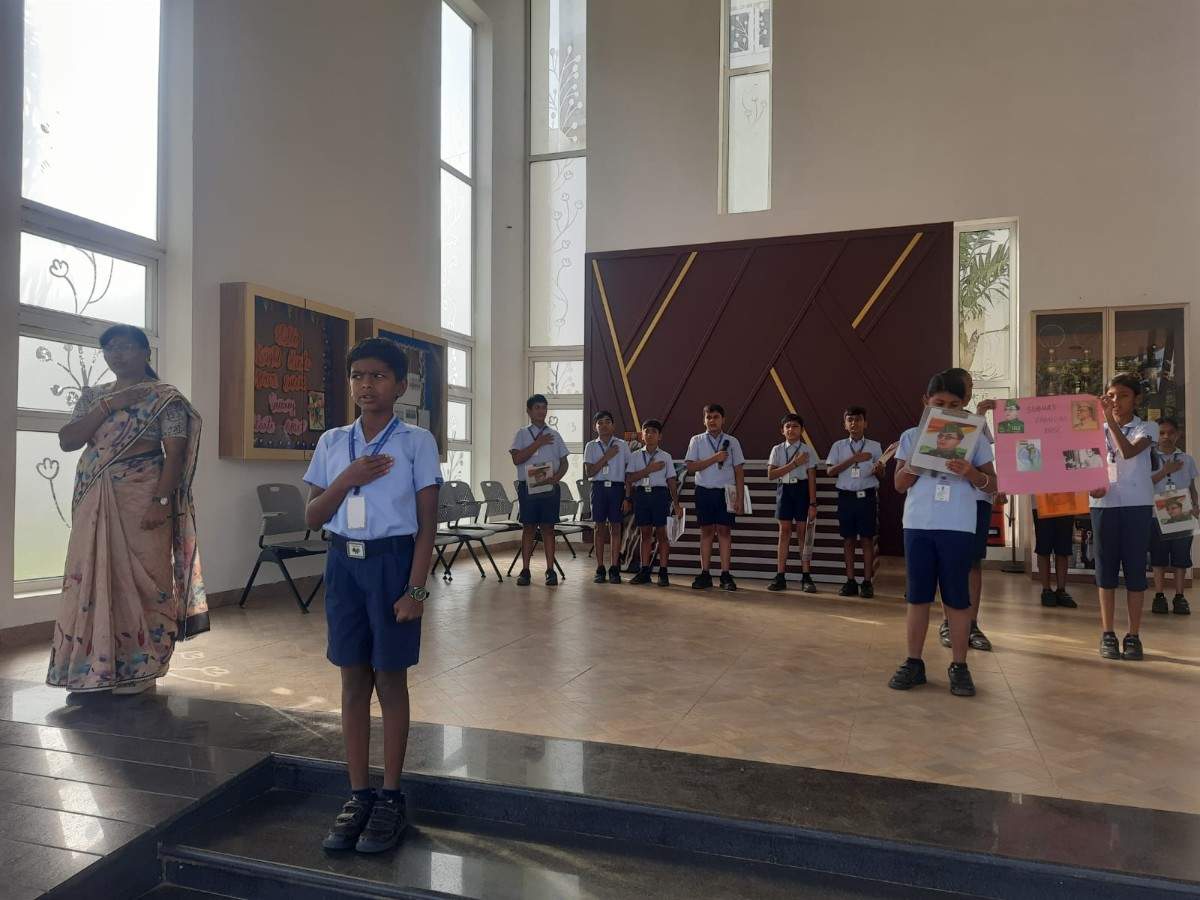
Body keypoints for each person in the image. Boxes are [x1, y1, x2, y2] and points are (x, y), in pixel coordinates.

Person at [304, 338, 440, 854]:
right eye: (358, 375)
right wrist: (348, 478)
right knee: (352, 679)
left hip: (392, 564)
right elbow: (313, 516)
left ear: (400, 385)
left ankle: (391, 797)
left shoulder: (416, 442)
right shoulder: (333, 441)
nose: (367, 385)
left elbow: (428, 523)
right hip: (343, 565)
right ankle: (358, 793)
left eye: (379, 376)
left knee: (390, 679)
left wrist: (416, 589)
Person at [47, 325, 208, 694]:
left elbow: (175, 454)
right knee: (88, 577)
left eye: (126, 347)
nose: (117, 355)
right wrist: (108, 406)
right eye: (110, 348)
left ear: (145, 352)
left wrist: (161, 501)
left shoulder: (164, 398)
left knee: (147, 581)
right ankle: (90, 667)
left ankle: (142, 667)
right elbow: (68, 440)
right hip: (94, 497)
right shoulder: (94, 397)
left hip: (142, 498)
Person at [890, 370, 996, 697]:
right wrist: (914, 465)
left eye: (954, 404)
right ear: (926, 402)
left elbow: (994, 485)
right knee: (918, 596)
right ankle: (913, 662)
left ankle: (959, 666)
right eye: (939, 403)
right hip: (918, 525)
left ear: (964, 404)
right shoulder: (911, 436)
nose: (946, 409)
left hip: (958, 525)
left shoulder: (976, 437)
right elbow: (898, 484)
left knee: (957, 598)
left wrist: (972, 473)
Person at [1089, 373, 1158, 661]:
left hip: (1136, 505)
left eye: (1123, 396)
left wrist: (1109, 420)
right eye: (1111, 396)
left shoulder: (1147, 427)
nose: (1115, 401)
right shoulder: (1094, 429)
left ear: (1136, 399)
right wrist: (1089, 485)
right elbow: (1084, 462)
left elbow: (1128, 452)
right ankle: (1108, 633)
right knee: (1105, 570)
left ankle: (1133, 635)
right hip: (1103, 505)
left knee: (1134, 570)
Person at [936, 369, 995, 654]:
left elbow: (989, 466)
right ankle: (948, 622)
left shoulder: (977, 423)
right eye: (963, 385)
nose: (967, 389)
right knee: (947, 561)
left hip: (978, 499)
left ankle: (972, 623)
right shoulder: (935, 425)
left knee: (973, 562)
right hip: (946, 500)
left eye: (969, 386)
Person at [825, 406, 889, 598]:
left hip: (866, 497)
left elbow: (882, 474)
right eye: (850, 420)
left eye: (858, 419)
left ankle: (867, 582)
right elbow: (830, 471)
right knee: (848, 539)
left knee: (867, 539)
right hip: (846, 497)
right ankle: (850, 581)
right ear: (845, 424)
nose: (854, 423)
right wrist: (854, 459)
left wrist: (878, 469)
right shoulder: (838, 446)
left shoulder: (875, 446)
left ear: (865, 423)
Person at [510, 394, 570, 586]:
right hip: (528, 487)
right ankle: (525, 570)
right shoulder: (522, 434)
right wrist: (538, 443)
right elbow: (517, 459)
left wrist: (557, 478)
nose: (541, 411)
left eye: (544, 407)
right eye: (537, 407)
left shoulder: (555, 435)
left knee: (548, 528)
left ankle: (550, 570)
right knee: (528, 527)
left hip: (549, 486)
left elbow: (564, 462)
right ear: (529, 411)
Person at [685, 404, 746, 591]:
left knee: (725, 531)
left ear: (723, 419)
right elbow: (690, 467)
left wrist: (740, 498)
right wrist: (715, 458)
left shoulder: (732, 442)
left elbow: (738, 471)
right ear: (704, 420)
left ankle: (725, 574)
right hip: (704, 491)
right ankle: (705, 573)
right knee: (706, 532)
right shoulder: (696, 440)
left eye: (716, 417)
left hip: (726, 492)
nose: (712, 420)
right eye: (708, 417)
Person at [626, 419, 683, 587]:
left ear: (660, 436)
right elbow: (630, 479)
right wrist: (649, 469)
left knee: (661, 534)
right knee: (644, 534)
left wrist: (676, 504)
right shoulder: (635, 456)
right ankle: (644, 571)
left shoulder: (666, 456)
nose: (650, 434)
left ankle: (663, 572)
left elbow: (671, 481)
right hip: (641, 495)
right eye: (647, 431)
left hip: (659, 495)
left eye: (654, 432)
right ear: (642, 435)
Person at [766, 414, 818, 593]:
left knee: (802, 532)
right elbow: (771, 475)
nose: (791, 429)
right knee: (784, 531)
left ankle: (806, 576)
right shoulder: (777, 449)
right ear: (782, 430)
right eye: (787, 426)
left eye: (795, 426)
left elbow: (812, 477)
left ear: (801, 430)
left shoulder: (808, 450)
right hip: (784, 490)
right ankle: (780, 575)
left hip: (802, 490)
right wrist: (795, 463)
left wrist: (813, 503)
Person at [1150, 417, 1197, 615]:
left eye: (1170, 433)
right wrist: (1165, 471)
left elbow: (1192, 486)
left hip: (1182, 512)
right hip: (1157, 514)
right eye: (1161, 433)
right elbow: (1145, 483)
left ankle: (1179, 596)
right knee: (1158, 558)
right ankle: (1159, 596)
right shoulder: (1149, 458)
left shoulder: (1187, 459)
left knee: (1181, 557)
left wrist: (1196, 505)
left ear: (1178, 435)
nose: (1166, 437)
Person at [583, 411, 632, 584]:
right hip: (598, 488)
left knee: (616, 527)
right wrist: (607, 456)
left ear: (613, 425)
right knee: (599, 528)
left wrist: (627, 497)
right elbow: (589, 472)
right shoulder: (591, 446)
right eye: (600, 422)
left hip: (617, 489)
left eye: (607, 422)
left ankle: (614, 568)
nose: (604, 425)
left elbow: (628, 473)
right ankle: (600, 567)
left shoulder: (622, 445)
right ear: (595, 427)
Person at [1031, 495, 1078, 608]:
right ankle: (1046, 590)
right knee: (1043, 547)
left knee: (1063, 547)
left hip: (1066, 500)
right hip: (1042, 500)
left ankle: (1061, 590)